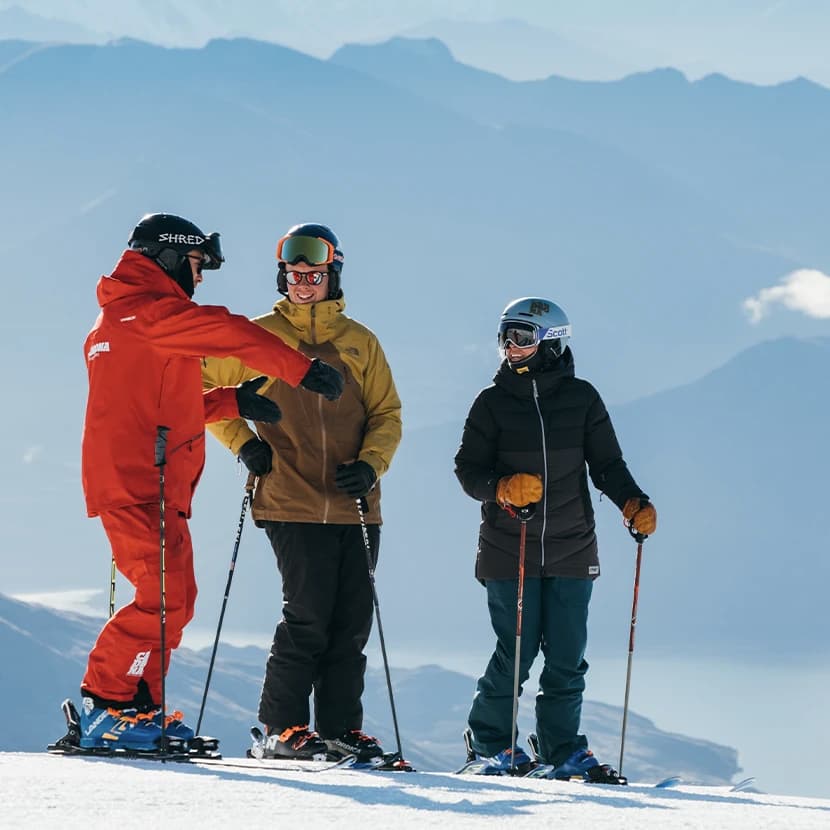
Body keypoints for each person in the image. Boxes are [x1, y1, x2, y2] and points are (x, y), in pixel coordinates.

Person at [78, 213, 344, 751]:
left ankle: (136, 707)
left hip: (153, 481)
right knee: (163, 595)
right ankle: (106, 706)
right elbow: (229, 330)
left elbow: (153, 410)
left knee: (176, 596)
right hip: (137, 485)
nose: (198, 280)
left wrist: (229, 401)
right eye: (196, 266)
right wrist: (299, 369)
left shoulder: (122, 323)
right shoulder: (149, 315)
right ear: (171, 257)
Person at [202, 222, 402, 762]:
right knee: (308, 614)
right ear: (283, 277)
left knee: (351, 622)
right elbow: (203, 391)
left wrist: (370, 464)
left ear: (332, 275)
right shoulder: (259, 336)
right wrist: (245, 445)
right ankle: (282, 728)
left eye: (313, 275)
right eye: (294, 276)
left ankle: (339, 730)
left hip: (355, 502)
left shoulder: (360, 341)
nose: (303, 284)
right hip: (289, 496)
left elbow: (387, 413)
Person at [454, 296, 657, 781]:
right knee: (517, 653)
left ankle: (560, 749)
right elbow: (467, 471)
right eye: (504, 335)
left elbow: (607, 465)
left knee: (567, 657)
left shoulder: (582, 398)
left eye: (521, 337)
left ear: (550, 343)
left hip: (571, 546)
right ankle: (489, 746)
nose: (510, 346)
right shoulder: (492, 403)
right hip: (509, 546)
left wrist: (633, 502)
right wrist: (501, 488)